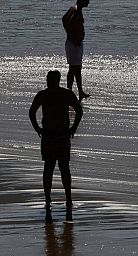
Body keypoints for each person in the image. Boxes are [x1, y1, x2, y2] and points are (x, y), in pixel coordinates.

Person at [29, 70, 83, 222]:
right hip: (57, 136)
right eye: (48, 79)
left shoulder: (44, 95)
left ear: (55, 80)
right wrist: (73, 128)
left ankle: (53, 201)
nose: (48, 81)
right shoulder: (64, 94)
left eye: (49, 79)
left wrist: (38, 129)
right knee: (58, 169)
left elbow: (32, 112)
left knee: (52, 169)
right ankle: (64, 200)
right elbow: (79, 111)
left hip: (54, 136)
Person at [62, 0, 90, 100]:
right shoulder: (75, 9)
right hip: (74, 44)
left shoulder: (76, 9)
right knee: (73, 69)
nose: (89, 2)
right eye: (87, 0)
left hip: (76, 43)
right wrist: (72, 37)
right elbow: (66, 21)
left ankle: (80, 92)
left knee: (77, 69)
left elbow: (65, 20)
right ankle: (69, 92)